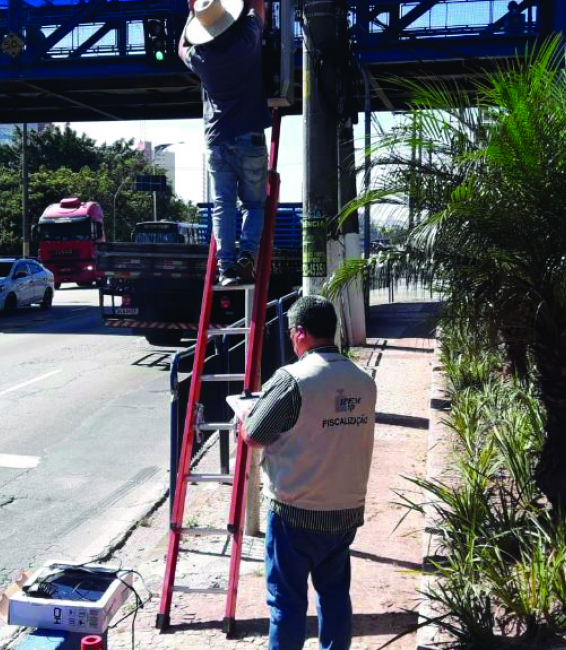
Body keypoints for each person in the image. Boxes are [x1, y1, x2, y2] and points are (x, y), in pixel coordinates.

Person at [238, 295, 378, 650]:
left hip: (295, 514)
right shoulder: (363, 381)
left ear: (299, 333)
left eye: (290, 333)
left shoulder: (292, 381)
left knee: (286, 602)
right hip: (345, 512)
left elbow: (254, 435)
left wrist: (244, 417)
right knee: (334, 597)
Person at [179, 0, 271, 286]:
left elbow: (181, 45)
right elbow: (259, 7)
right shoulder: (247, 40)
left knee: (223, 206)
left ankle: (226, 268)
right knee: (254, 204)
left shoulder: (200, 58)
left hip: (217, 141)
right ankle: (248, 253)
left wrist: (193, 11)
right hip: (251, 137)